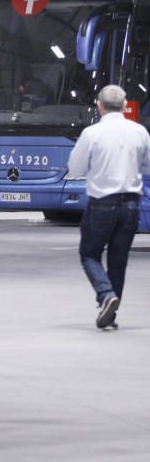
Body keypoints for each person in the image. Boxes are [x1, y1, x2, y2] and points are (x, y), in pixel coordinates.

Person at [67, 84, 150, 330]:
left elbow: (75, 168)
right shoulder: (140, 132)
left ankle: (105, 295)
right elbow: (147, 166)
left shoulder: (92, 133)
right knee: (119, 259)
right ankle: (110, 315)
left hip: (102, 202)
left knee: (90, 253)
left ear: (99, 106)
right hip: (132, 204)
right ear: (125, 106)